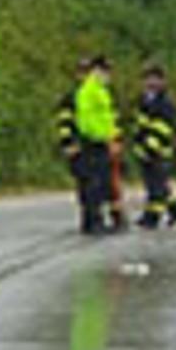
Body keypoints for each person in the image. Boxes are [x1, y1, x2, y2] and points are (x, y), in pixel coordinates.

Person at [69, 55, 122, 235]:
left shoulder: (100, 89)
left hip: (102, 141)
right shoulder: (89, 90)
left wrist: (113, 137)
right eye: (104, 71)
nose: (107, 75)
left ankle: (96, 219)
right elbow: (87, 119)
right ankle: (93, 221)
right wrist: (101, 137)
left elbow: (106, 118)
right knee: (94, 183)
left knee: (101, 182)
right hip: (93, 142)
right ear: (96, 70)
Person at [128, 60, 176, 231]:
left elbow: (165, 128)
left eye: (154, 79)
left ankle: (152, 217)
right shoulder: (142, 101)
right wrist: (138, 145)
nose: (150, 83)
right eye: (147, 79)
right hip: (144, 150)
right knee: (157, 183)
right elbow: (138, 124)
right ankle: (175, 209)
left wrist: (151, 147)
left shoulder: (165, 103)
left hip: (159, 152)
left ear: (162, 81)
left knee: (156, 186)